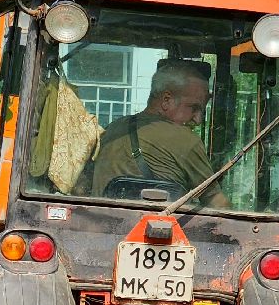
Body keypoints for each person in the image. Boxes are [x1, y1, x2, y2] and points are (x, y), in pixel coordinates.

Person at [91, 60, 231, 209]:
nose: (197, 120)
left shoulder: (112, 130)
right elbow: (217, 203)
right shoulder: (184, 140)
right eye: (193, 108)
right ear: (166, 100)